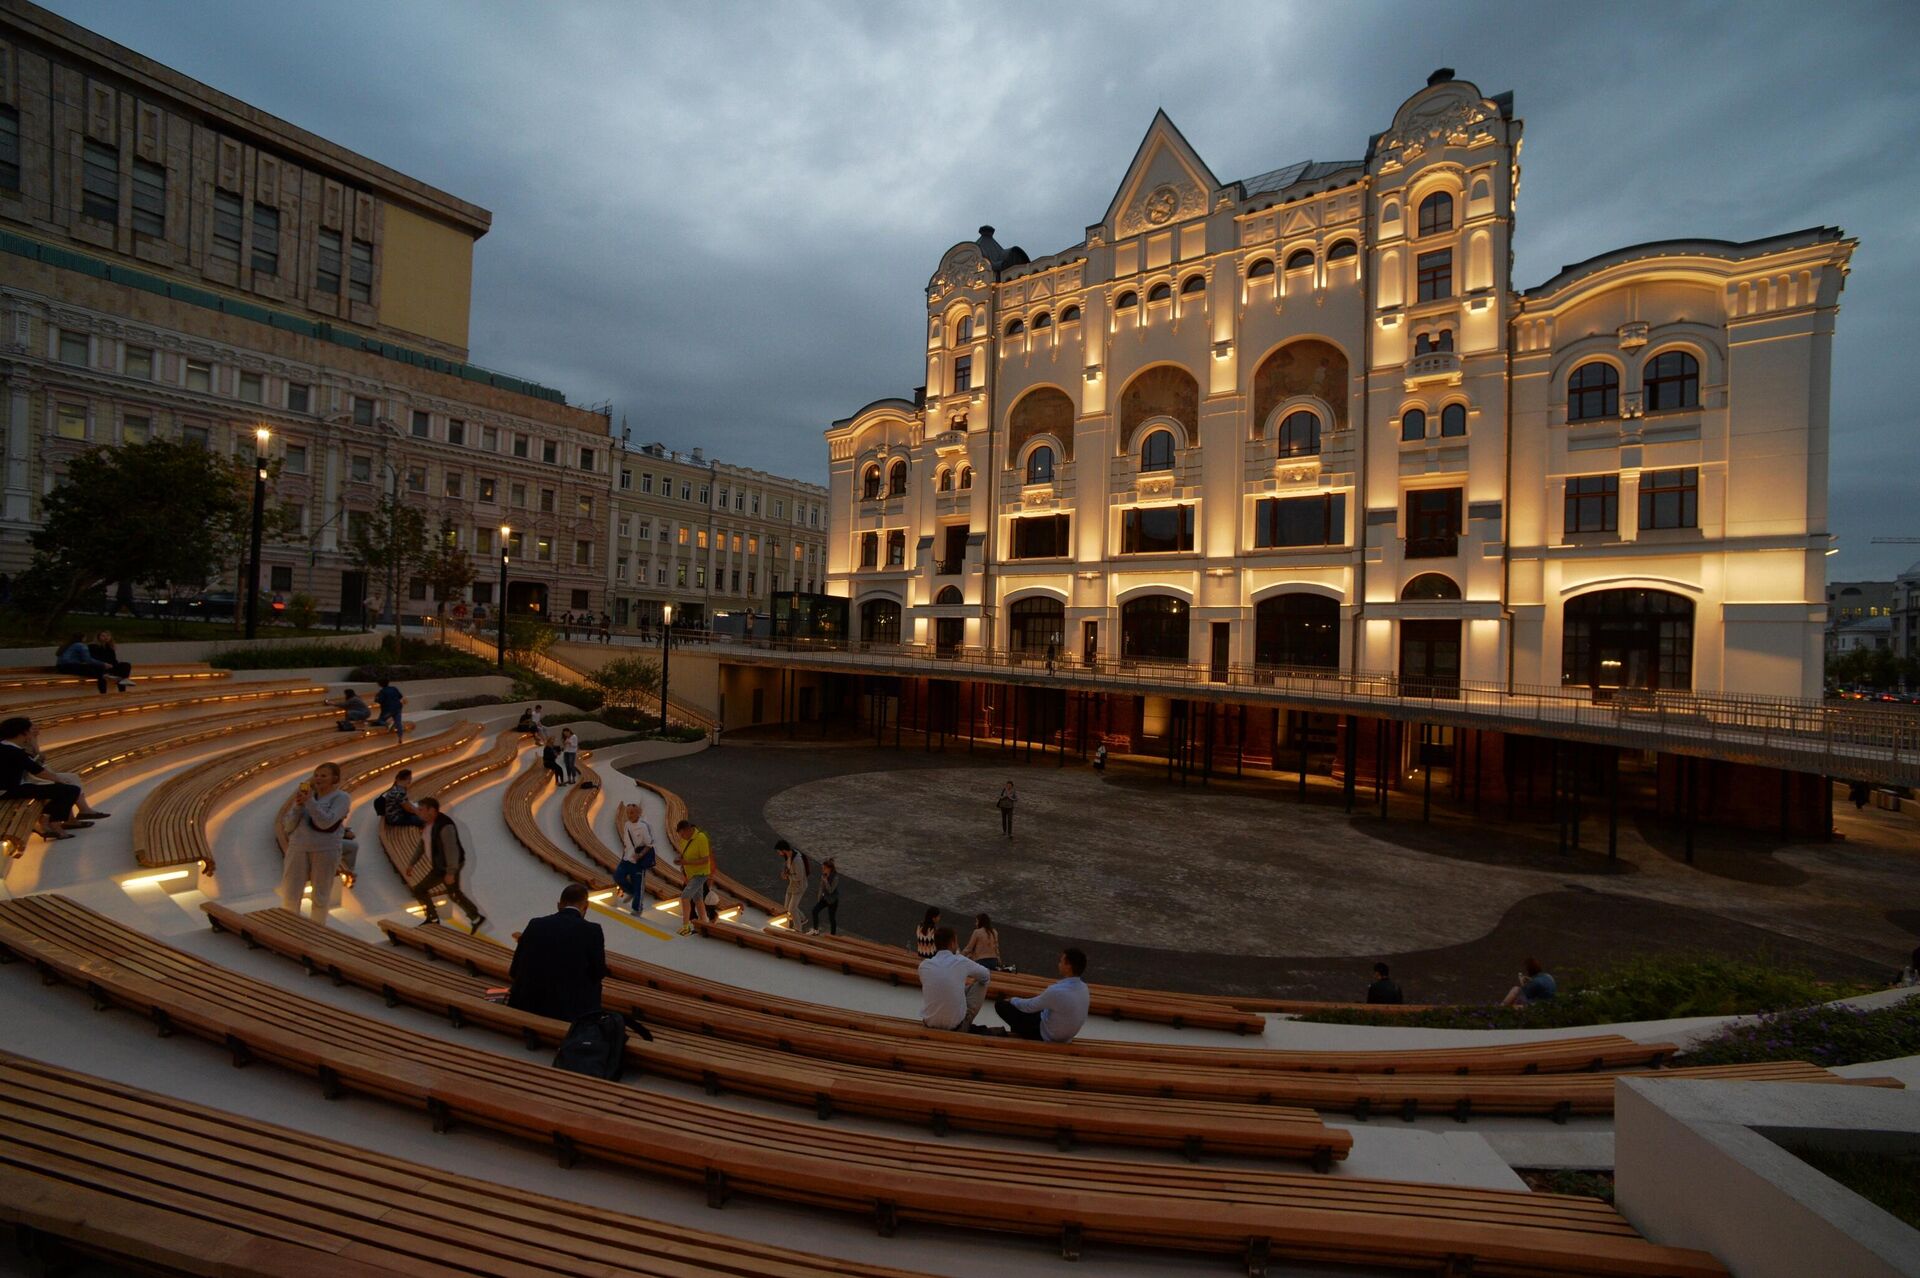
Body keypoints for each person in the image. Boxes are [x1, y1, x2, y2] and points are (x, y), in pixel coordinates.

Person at [507, 883, 607, 1023]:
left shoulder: (535, 924)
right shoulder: (593, 931)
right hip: (568, 1012)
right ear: (586, 906)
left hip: (525, 1003)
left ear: (559, 905)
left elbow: (514, 969)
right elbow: (598, 972)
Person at [278, 762, 350, 925]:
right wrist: (298, 805)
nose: (318, 778)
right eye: (316, 775)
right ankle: (289, 929)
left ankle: (317, 930)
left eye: (323, 776)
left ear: (335, 779)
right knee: (291, 893)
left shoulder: (342, 798)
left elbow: (326, 822)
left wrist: (310, 802)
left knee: (320, 895)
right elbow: (288, 826)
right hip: (298, 847)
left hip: (325, 848)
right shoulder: (307, 796)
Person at [0, 717, 86, 843]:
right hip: (9, 790)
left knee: (57, 789)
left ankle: (47, 819)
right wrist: (59, 780)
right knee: (70, 790)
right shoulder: (14, 751)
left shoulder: (5, 747)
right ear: (22, 733)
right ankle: (54, 823)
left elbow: (36, 763)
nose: (31, 733)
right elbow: (39, 771)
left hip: (9, 787)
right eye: (29, 730)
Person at [412, 796, 485, 931]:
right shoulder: (427, 823)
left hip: (447, 866)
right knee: (453, 893)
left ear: (432, 810)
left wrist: (451, 872)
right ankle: (475, 916)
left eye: (421, 810)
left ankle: (433, 918)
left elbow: (452, 851)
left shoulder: (445, 826)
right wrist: (412, 863)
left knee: (421, 889)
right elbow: (423, 844)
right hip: (440, 865)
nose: (419, 812)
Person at [994, 948, 1091, 1043]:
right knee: (1031, 1006)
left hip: (1046, 1034)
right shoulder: (1084, 989)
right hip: (1065, 1036)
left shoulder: (1057, 991)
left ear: (1068, 966)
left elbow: (1030, 1006)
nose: (1059, 964)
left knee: (1001, 1005)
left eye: (1061, 962)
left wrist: (1012, 1000)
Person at [919, 926, 994, 1032]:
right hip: (955, 1027)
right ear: (952, 943)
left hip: (929, 1022)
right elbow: (986, 975)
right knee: (983, 982)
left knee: (946, 988)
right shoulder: (960, 961)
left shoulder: (924, 966)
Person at [613, 802, 656, 912]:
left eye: (632, 812)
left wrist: (640, 855)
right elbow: (626, 843)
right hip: (626, 859)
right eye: (628, 813)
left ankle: (637, 909)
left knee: (639, 887)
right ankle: (630, 892)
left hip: (638, 862)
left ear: (638, 813)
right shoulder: (627, 824)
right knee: (618, 876)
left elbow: (649, 845)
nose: (629, 815)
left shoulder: (643, 827)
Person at [675, 817, 713, 936]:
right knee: (698, 899)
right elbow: (684, 853)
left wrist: (686, 863)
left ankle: (686, 926)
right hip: (691, 874)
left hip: (700, 873)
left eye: (682, 834)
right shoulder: (684, 840)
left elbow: (705, 860)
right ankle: (704, 922)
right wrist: (681, 862)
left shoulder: (701, 838)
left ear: (687, 830)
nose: (682, 837)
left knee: (685, 896)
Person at [776, 838, 809, 925]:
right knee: (787, 907)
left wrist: (788, 875)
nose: (778, 853)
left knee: (792, 909)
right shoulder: (789, 855)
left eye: (779, 851)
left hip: (799, 886)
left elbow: (799, 876)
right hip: (792, 885)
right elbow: (788, 866)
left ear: (783, 850)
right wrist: (785, 872)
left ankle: (798, 929)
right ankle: (802, 919)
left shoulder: (797, 860)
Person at [807, 856, 840, 935]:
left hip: (832, 900)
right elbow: (821, 887)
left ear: (829, 868)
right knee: (815, 910)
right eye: (823, 868)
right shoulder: (823, 875)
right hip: (825, 898)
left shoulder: (835, 877)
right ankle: (815, 930)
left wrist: (826, 881)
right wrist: (819, 899)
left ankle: (833, 935)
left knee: (831, 918)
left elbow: (830, 890)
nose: (823, 869)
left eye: (824, 868)